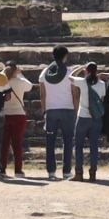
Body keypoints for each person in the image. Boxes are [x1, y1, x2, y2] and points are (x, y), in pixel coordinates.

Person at [39, 45, 77, 180]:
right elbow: (74, 94)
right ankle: (66, 171)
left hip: (51, 111)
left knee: (50, 142)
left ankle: (51, 172)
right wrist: (76, 110)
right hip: (67, 110)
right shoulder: (69, 72)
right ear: (65, 56)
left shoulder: (44, 73)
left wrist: (44, 112)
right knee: (67, 141)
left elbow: (42, 95)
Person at [70, 63, 107, 182]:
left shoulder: (82, 82)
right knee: (94, 147)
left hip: (83, 117)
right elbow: (102, 99)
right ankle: (93, 174)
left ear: (86, 71)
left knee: (79, 146)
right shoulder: (101, 84)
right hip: (96, 118)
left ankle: (79, 173)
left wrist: (79, 68)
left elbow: (70, 77)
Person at [1, 61, 33, 178]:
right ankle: (18, 170)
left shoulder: (2, 81)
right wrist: (20, 74)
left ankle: (2, 169)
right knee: (17, 143)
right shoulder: (20, 82)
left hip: (5, 114)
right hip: (19, 114)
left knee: (4, 144)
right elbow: (30, 86)